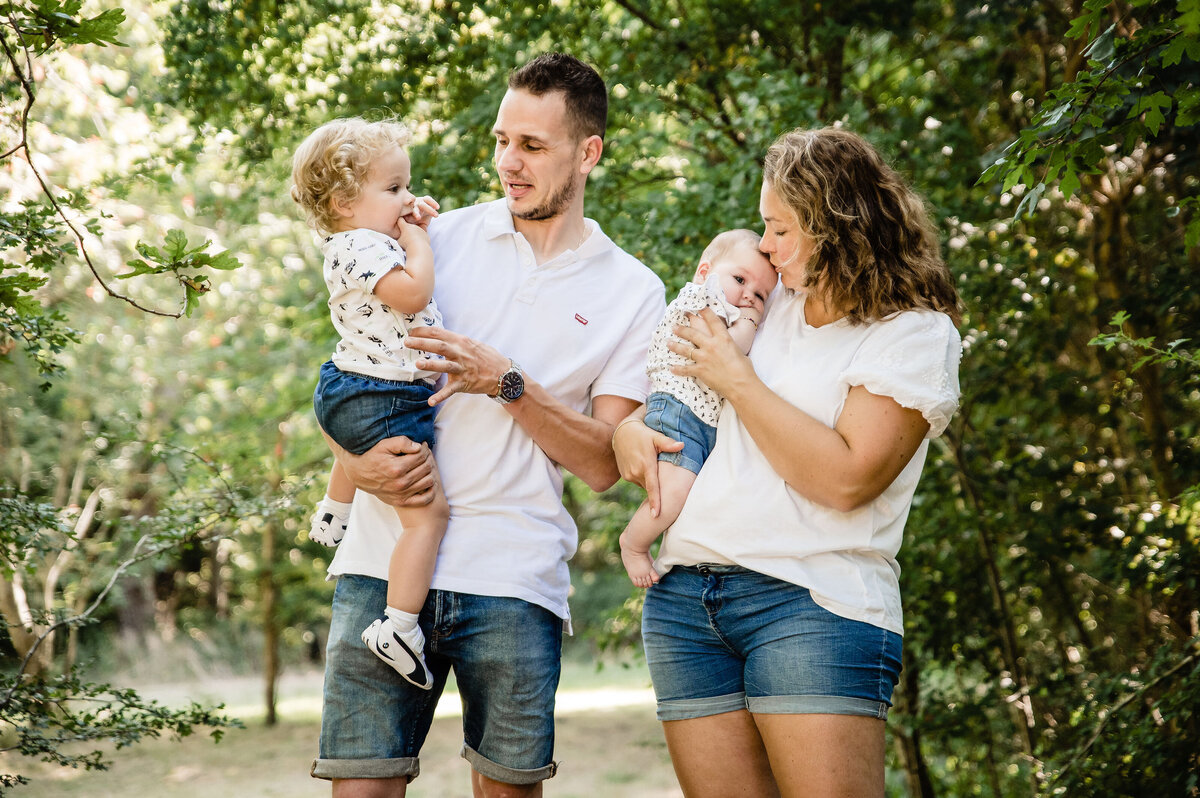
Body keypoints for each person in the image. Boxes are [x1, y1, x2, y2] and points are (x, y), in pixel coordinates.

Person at [309, 53, 666, 798]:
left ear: (588, 152)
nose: (509, 161)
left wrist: (506, 384)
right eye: (503, 141)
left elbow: (606, 465)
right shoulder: (429, 239)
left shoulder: (632, 290)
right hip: (380, 563)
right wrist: (354, 461)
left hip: (512, 576)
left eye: (532, 146)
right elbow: (350, 372)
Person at [613, 126, 962, 797]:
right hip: (686, 598)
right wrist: (630, 428)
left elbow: (846, 478)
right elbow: (679, 390)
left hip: (812, 603)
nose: (765, 248)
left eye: (779, 229)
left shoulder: (913, 333)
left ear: (836, 226)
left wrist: (737, 380)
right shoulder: (765, 304)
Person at [291, 117, 447, 690]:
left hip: (356, 384)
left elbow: (393, 242)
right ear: (342, 202)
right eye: (394, 188)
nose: (407, 197)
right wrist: (419, 241)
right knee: (428, 517)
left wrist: (406, 217)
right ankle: (400, 624)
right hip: (384, 393)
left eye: (406, 185)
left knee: (358, 439)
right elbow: (412, 292)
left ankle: (335, 510)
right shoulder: (360, 246)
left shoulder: (359, 239)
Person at [618, 229, 777, 587]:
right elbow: (727, 354)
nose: (748, 297)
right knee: (673, 492)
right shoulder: (700, 303)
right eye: (739, 279)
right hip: (678, 410)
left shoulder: (725, 309)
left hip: (698, 418)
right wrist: (750, 322)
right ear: (705, 272)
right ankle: (633, 543)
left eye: (760, 295)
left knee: (685, 493)